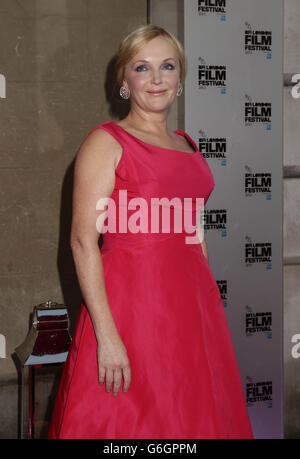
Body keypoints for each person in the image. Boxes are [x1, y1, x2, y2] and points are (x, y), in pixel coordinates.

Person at [48, 24, 254, 439]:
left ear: (180, 78)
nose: (157, 79)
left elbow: (193, 228)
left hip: (191, 310)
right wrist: (106, 336)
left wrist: (206, 303)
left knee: (193, 417)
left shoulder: (187, 144)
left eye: (168, 66)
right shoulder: (107, 142)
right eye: (143, 68)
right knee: (129, 423)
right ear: (124, 81)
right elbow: (81, 241)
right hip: (132, 309)